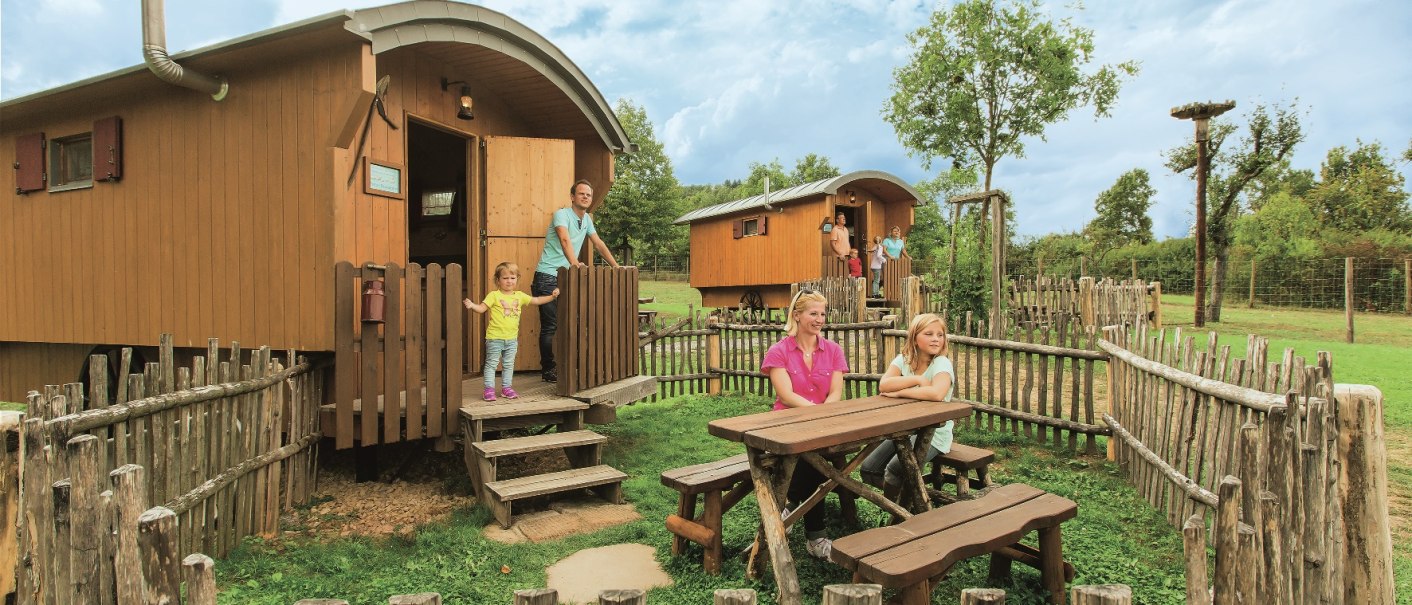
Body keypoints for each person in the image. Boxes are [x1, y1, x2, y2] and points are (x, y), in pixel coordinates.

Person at [760, 289, 849, 559]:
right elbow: (786, 395)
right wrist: (813, 414)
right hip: (785, 425)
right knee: (817, 464)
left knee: (819, 459)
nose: (820, 319)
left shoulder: (833, 350)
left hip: (822, 423)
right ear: (796, 316)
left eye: (822, 313)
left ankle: (792, 503)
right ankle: (816, 538)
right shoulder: (779, 351)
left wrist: (821, 417)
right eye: (813, 313)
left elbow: (835, 392)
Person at [859, 313, 955, 503]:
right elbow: (884, 385)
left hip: (934, 433)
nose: (936, 339)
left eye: (940, 334)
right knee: (869, 469)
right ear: (914, 338)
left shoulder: (941, 363)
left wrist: (900, 392)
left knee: (895, 470)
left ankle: (899, 514)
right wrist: (917, 380)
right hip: (904, 429)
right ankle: (907, 498)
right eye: (929, 334)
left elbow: (937, 394)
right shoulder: (904, 359)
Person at [532, 179, 620, 383]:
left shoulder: (587, 219)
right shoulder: (561, 215)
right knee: (550, 326)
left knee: (577, 322)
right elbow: (564, 239)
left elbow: (598, 244)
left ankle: (577, 365)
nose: (585, 197)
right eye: (581, 194)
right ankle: (548, 370)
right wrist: (575, 264)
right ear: (572, 196)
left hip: (568, 277)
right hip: (548, 276)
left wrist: (616, 267)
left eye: (588, 195)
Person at [464, 262, 559, 401]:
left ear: (517, 279)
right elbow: (481, 309)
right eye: (505, 278)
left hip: (511, 339)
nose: (509, 281)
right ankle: (488, 390)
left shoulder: (520, 296)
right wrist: (472, 305)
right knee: (491, 364)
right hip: (494, 338)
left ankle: (506, 388)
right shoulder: (494, 295)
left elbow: (537, 300)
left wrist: (552, 297)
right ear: (498, 280)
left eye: (512, 278)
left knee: (508, 365)